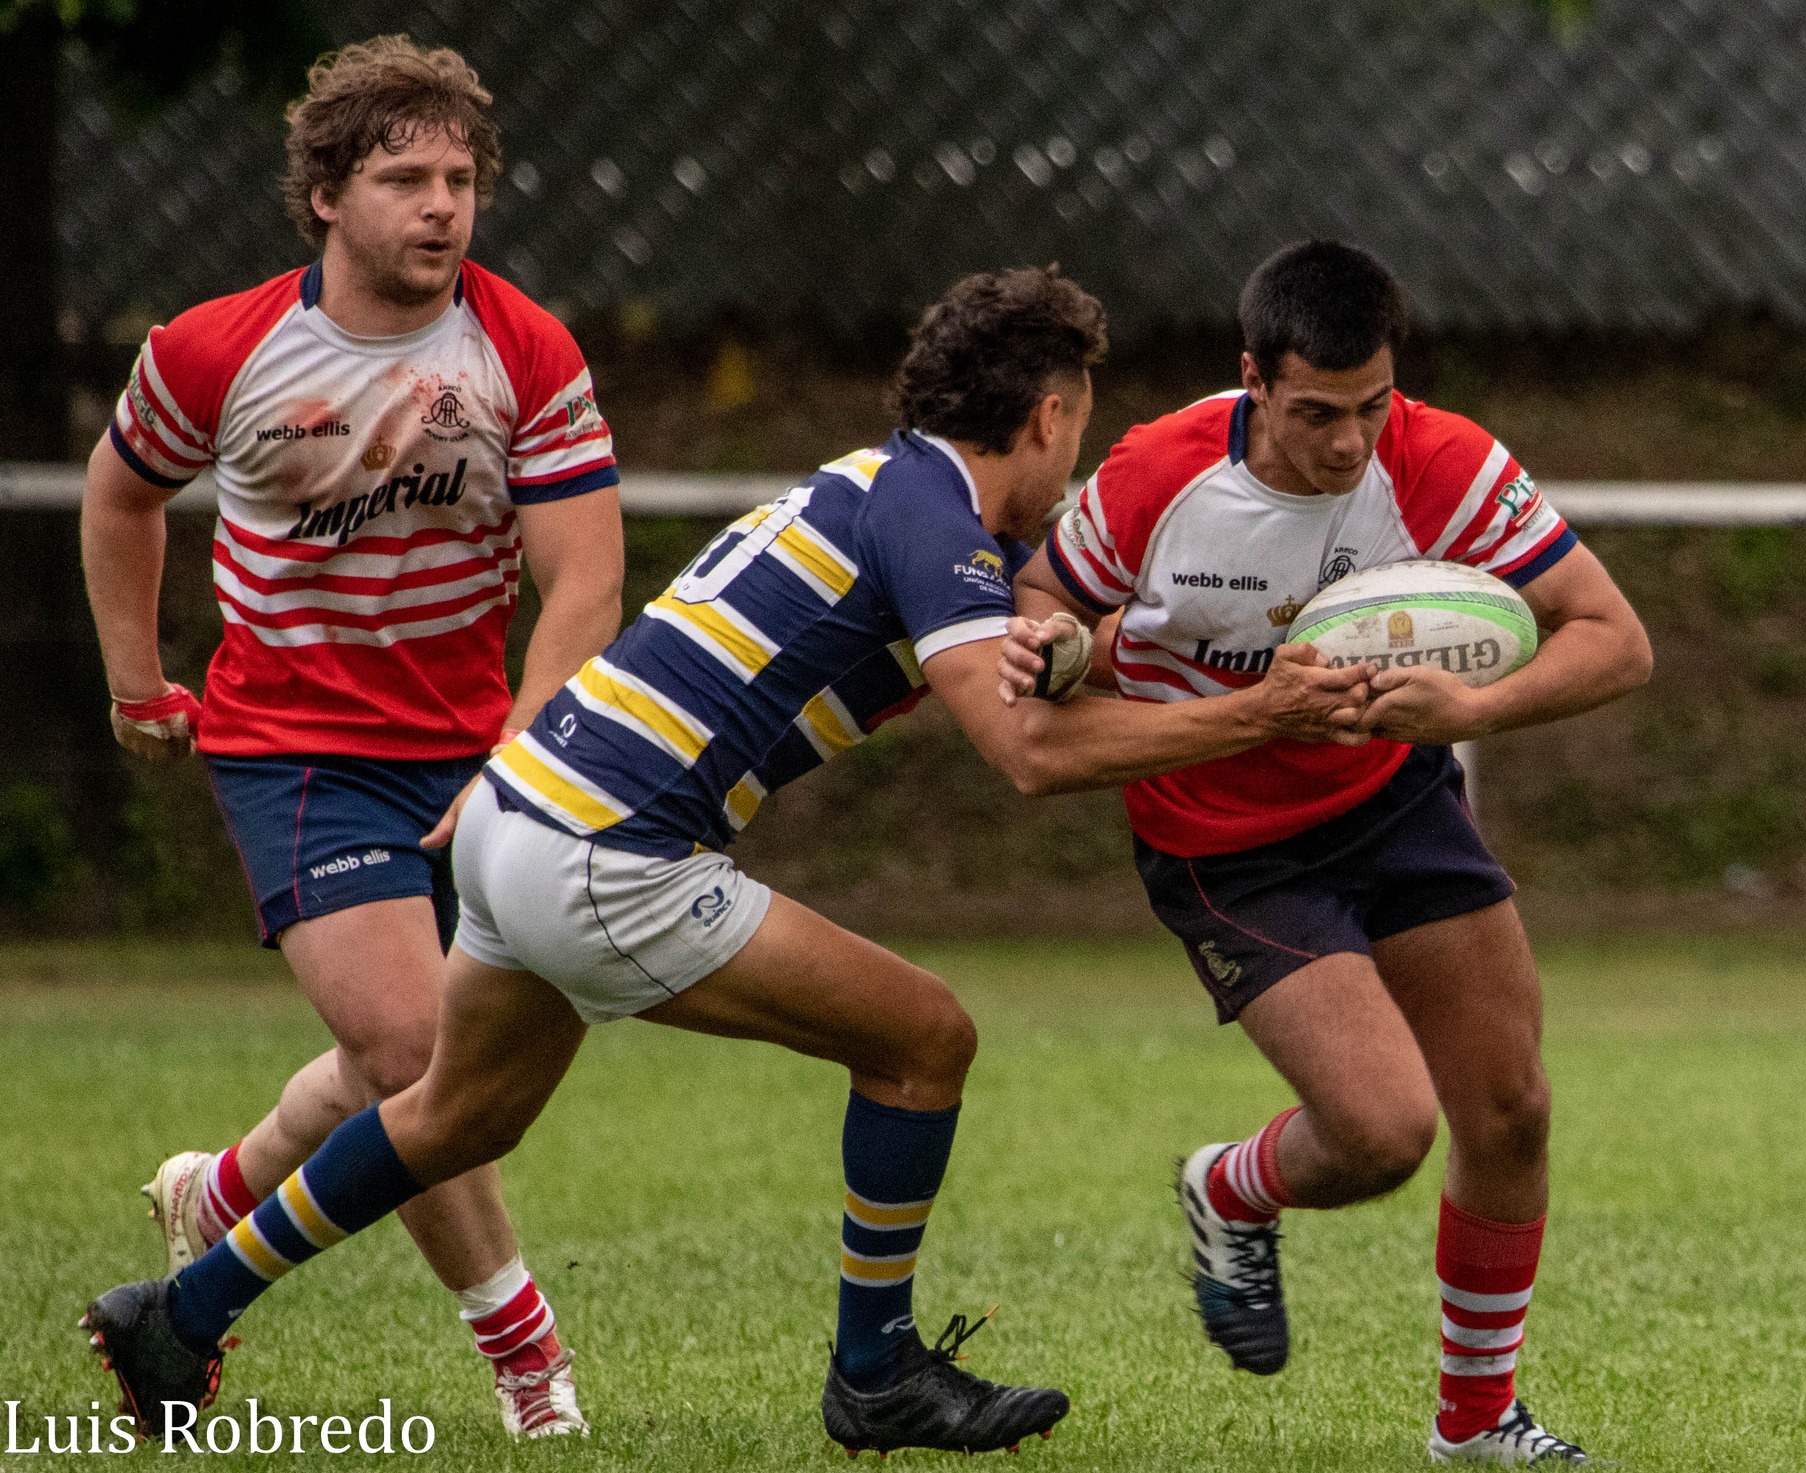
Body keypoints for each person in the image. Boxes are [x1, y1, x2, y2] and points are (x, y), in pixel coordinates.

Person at [83, 266, 1378, 1453]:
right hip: (609, 847)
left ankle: (176, 1315)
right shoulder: (933, 517)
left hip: (517, 816)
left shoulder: (892, 487)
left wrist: (1087, 644)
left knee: (454, 1113)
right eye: (1080, 420)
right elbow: (1026, 754)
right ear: (1047, 416)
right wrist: (1266, 708)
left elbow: (1040, 630)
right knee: (925, 1038)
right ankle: (874, 1372)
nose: (1077, 450)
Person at [996, 241, 1654, 1465]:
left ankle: (1474, 1424)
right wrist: (1060, 646)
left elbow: (1613, 640)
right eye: (1313, 413)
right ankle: (1231, 1187)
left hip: (1391, 801)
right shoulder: (1158, 475)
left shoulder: (1439, 461)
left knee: (1508, 1110)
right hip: (1221, 837)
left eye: (1369, 407)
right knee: (1383, 1133)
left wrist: (1468, 713)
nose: (1348, 443)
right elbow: (1046, 595)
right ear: (1250, 377)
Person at [78, 36, 623, 1438]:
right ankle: (528, 1361)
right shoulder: (217, 348)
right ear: (326, 193)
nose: (441, 206)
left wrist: (519, 751)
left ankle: (229, 1187)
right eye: (403, 178)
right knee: (416, 1050)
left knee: (439, 1069)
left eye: (459, 178)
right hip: (294, 750)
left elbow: (587, 581)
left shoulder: (524, 347)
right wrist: (140, 683)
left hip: (475, 755)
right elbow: (122, 495)